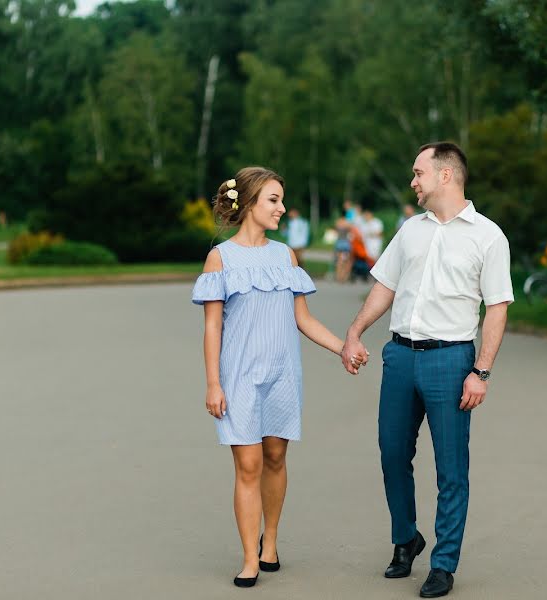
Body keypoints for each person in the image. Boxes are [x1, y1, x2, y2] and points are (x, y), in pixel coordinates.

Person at [340, 142, 514, 598]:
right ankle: (406, 539)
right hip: (399, 357)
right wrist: (356, 331)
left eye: (418, 172)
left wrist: (482, 371)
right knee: (392, 454)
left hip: (451, 360)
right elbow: (384, 287)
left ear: (445, 176)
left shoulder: (488, 236)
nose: (412, 181)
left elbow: (496, 307)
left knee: (451, 468)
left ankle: (443, 563)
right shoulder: (409, 231)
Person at [192, 166, 362, 588]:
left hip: (283, 375)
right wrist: (213, 383)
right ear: (249, 202)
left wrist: (343, 345)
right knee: (247, 465)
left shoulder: (286, 255)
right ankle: (250, 557)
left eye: (281, 200)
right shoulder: (221, 258)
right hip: (239, 378)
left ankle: (271, 544)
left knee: (275, 457)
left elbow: (302, 318)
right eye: (273, 200)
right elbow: (212, 328)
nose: (282, 209)